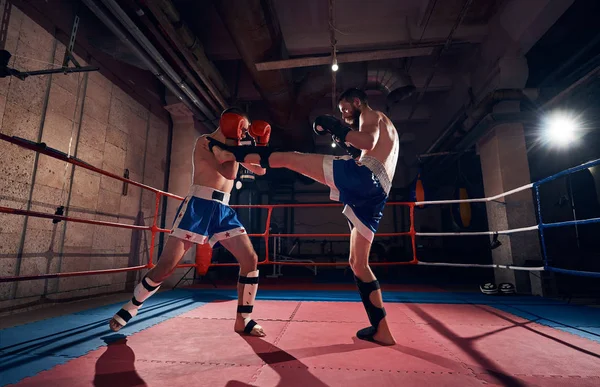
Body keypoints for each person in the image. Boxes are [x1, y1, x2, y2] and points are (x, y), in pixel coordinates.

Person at [208, 88, 399, 345]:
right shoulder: (392, 131)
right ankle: (382, 330)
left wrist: (335, 127)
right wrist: (342, 137)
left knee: (290, 158)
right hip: (379, 192)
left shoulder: (370, 114)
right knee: (358, 263)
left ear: (356, 102)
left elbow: (367, 143)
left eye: (344, 110)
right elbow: (367, 149)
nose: (343, 116)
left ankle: (231, 154)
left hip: (365, 177)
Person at [108, 107, 271, 337]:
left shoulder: (236, 147)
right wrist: (239, 146)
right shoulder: (205, 142)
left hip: (223, 210)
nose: (244, 134)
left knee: (251, 259)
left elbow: (261, 171)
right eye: (242, 128)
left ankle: (243, 319)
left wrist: (261, 145)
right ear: (229, 123)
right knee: (166, 267)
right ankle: (132, 306)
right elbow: (229, 171)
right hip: (198, 207)